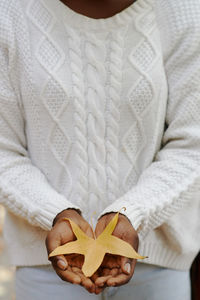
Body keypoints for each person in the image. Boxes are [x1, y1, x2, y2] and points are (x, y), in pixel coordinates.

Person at [0, 0, 200, 299]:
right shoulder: (11, 13)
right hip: (47, 266)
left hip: (157, 266)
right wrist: (56, 214)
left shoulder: (183, 10)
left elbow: (191, 144)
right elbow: (4, 150)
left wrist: (133, 212)